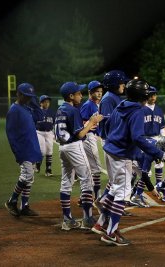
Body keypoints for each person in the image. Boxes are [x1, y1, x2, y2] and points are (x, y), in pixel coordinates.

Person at [97, 79, 165, 246]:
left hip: (110, 150)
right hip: (121, 155)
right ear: (143, 95)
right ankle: (110, 233)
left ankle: (100, 223)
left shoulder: (121, 105)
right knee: (122, 194)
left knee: (115, 189)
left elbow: (107, 126)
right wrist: (156, 151)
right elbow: (137, 137)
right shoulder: (138, 111)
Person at [54, 81, 103, 231]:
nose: (81, 95)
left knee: (66, 181)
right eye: (78, 93)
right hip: (74, 146)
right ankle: (87, 218)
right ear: (70, 96)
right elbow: (81, 134)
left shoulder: (60, 109)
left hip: (62, 148)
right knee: (86, 179)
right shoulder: (72, 110)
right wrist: (91, 122)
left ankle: (67, 219)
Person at [4, 83, 44, 217]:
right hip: (23, 149)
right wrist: (17, 152)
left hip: (32, 147)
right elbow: (11, 134)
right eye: (26, 96)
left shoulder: (27, 108)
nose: (28, 99)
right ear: (18, 94)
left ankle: (24, 205)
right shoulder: (14, 110)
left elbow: (40, 117)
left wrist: (34, 102)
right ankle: (12, 200)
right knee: (26, 175)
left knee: (30, 178)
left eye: (30, 97)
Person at [130, 85, 165, 206]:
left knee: (143, 169)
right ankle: (134, 193)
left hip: (155, 141)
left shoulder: (159, 110)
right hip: (143, 141)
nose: (153, 97)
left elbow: (162, 128)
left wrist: (162, 142)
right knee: (142, 171)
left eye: (154, 94)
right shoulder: (140, 109)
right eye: (150, 94)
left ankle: (135, 192)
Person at [97, 70, 130, 204]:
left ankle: (105, 202)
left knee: (120, 177)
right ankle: (107, 204)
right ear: (114, 84)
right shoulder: (109, 99)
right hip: (112, 141)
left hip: (115, 141)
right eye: (122, 83)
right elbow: (109, 124)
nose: (124, 85)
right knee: (118, 179)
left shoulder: (113, 97)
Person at [80, 81, 104, 205]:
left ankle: (83, 196)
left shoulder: (96, 105)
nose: (99, 93)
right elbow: (82, 124)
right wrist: (89, 126)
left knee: (89, 169)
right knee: (96, 169)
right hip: (88, 138)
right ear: (90, 92)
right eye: (96, 91)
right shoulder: (88, 105)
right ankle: (97, 196)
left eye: (100, 91)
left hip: (92, 137)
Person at [35, 95, 56, 176]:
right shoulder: (37, 112)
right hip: (39, 132)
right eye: (44, 102)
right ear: (40, 103)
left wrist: (54, 133)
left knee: (49, 151)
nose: (47, 103)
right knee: (42, 150)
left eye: (48, 102)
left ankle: (48, 169)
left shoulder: (51, 112)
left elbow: (54, 123)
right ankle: (38, 164)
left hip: (49, 133)